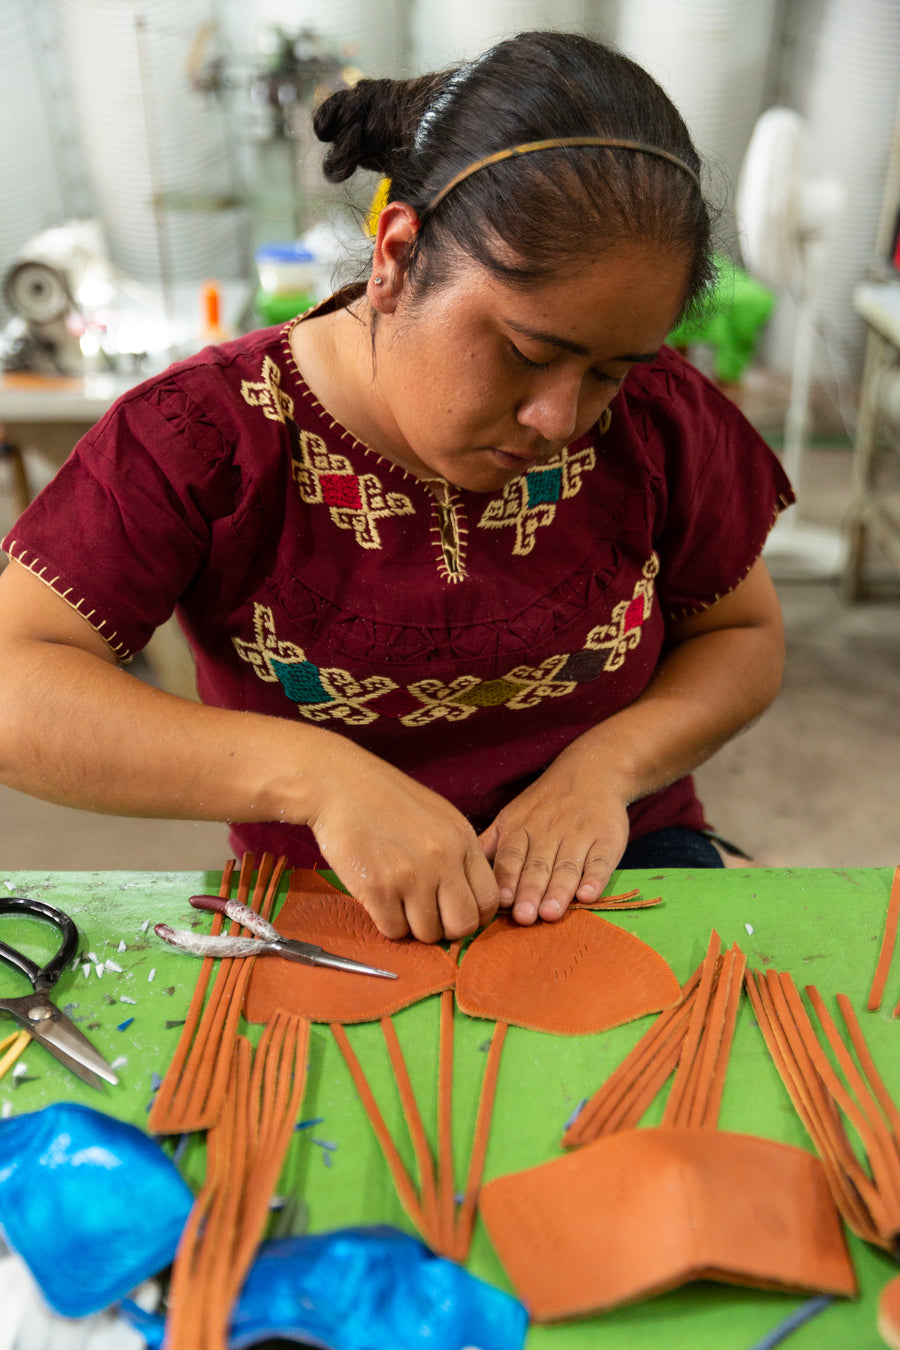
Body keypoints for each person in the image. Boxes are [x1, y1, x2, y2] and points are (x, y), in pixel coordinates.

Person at [0, 31, 792, 945]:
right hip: (338, 897)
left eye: (611, 369)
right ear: (396, 254)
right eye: (529, 353)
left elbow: (741, 632)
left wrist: (605, 771)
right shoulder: (205, 438)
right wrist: (319, 778)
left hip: (612, 858)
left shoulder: (657, 417)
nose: (561, 417)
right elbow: (19, 687)